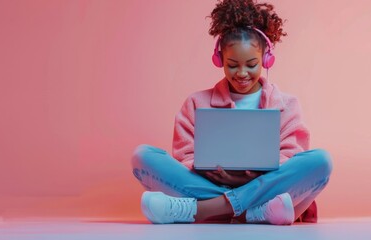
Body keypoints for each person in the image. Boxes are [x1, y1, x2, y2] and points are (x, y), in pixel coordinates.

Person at [131, 0, 332, 225]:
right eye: (233, 65)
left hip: (266, 185)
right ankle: (254, 212)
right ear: (220, 60)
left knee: (320, 161)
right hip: (216, 185)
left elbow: (290, 156)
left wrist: (258, 174)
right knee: (143, 156)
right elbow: (185, 156)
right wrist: (211, 172)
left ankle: (202, 210)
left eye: (252, 64)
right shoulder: (196, 102)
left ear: (267, 58)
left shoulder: (288, 105)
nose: (242, 73)